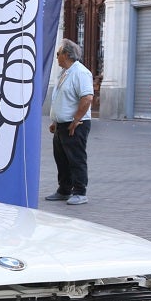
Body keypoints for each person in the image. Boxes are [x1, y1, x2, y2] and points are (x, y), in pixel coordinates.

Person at [45, 39, 94, 205]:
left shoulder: (80, 73)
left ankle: (80, 192)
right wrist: (55, 121)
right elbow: (63, 99)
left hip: (75, 125)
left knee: (76, 158)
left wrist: (76, 120)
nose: (57, 57)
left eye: (58, 54)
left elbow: (87, 98)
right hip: (62, 124)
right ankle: (64, 189)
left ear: (66, 55)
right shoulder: (65, 72)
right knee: (62, 159)